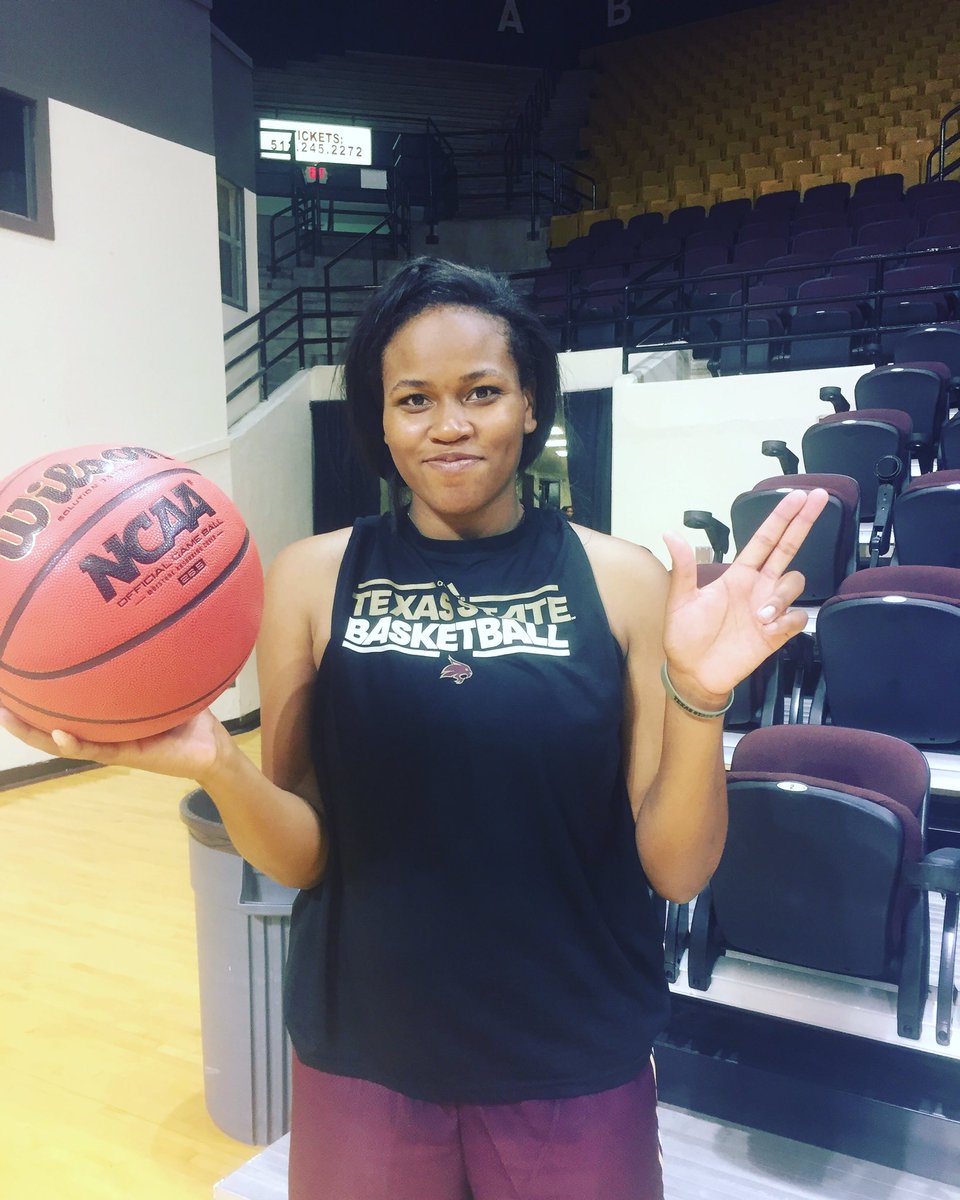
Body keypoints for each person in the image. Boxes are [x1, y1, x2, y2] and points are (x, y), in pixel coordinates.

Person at [0, 257, 827, 1200]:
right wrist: (221, 767)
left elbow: (677, 869)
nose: (449, 425)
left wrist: (700, 695)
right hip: (366, 1048)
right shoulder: (311, 580)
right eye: (413, 399)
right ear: (381, 423)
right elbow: (306, 856)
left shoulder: (623, 580)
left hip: (572, 1047)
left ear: (529, 407)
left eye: (482, 392)